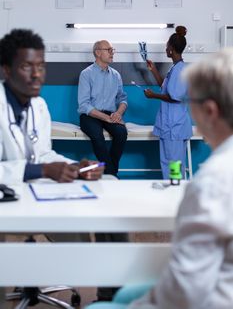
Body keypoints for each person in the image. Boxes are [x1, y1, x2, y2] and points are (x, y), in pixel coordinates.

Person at [86, 48, 233, 309]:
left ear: (209, 111)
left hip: (211, 298)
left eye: (193, 103)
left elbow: (184, 291)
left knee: (102, 306)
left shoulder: (212, 183)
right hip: (215, 284)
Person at [0, 28, 104, 184]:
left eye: (41, 66)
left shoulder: (39, 106)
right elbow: (40, 167)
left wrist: (74, 167)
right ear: (6, 71)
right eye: (26, 66)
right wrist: (43, 170)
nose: (36, 74)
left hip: (29, 195)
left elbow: (43, 155)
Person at [144, 26, 193, 179]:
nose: (165, 49)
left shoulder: (179, 70)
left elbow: (174, 97)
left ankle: (175, 191)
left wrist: (153, 96)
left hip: (174, 127)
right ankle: (175, 189)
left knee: (173, 164)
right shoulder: (176, 68)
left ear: (171, 49)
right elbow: (166, 89)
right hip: (173, 126)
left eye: (167, 47)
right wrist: (153, 71)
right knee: (173, 162)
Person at [78, 40, 128, 177]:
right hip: (90, 115)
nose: (112, 53)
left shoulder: (116, 75)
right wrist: (107, 118)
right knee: (97, 135)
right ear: (98, 53)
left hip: (110, 114)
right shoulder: (86, 74)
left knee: (121, 133)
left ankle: (109, 172)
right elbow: (84, 104)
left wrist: (118, 113)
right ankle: (111, 173)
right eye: (109, 50)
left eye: (113, 50)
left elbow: (123, 99)